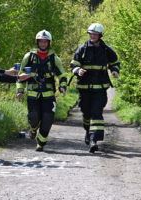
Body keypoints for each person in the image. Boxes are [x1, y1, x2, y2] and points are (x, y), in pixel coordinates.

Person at [70, 23, 120, 153]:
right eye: (91, 33)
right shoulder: (82, 49)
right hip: (84, 88)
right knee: (86, 113)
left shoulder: (106, 50)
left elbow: (115, 62)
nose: (93, 36)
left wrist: (114, 70)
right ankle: (88, 132)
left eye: (95, 34)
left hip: (100, 88)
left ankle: (94, 140)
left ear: (100, 35)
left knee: (96, 113)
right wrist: (78, 70)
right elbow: (74, 64)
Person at [16, 30, 68, 152]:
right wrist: (20, 90)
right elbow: (20, 74)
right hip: (33, 95)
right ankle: (33, 129)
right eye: (41, 41)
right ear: (37, 42)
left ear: (49, 43)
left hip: (49, 95)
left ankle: (41, 143)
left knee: (48, 119)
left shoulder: (54, 58)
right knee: (34, 117)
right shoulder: (29, 56)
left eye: (45, 41)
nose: (43, 43)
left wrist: (63, 86)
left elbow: (63, 75)